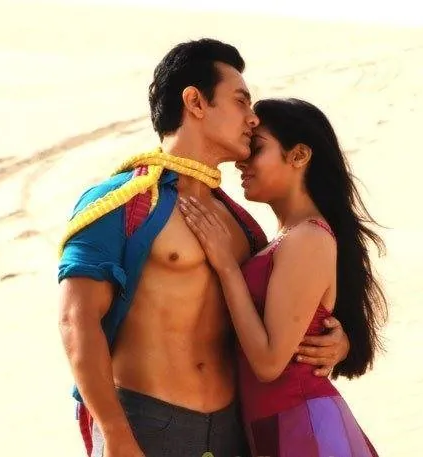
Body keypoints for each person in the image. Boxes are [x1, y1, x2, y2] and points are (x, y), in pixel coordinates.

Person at [58, 40, 350, 457]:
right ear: (195, 102)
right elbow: (77, 320)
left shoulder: (242, 225)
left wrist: (336, 340)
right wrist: (116, 434)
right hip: (146, 424)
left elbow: (274, 320)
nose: (252, 118)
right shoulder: (120, 203)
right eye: (240, 101)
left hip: (236, 431)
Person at [179, 97, 388, 456]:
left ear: (299, 155)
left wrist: (227, 266)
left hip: (303, 426)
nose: (242, 161)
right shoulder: (281, 240)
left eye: (257, 149)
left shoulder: (308, 237)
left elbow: (269, 363)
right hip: (276, 426)